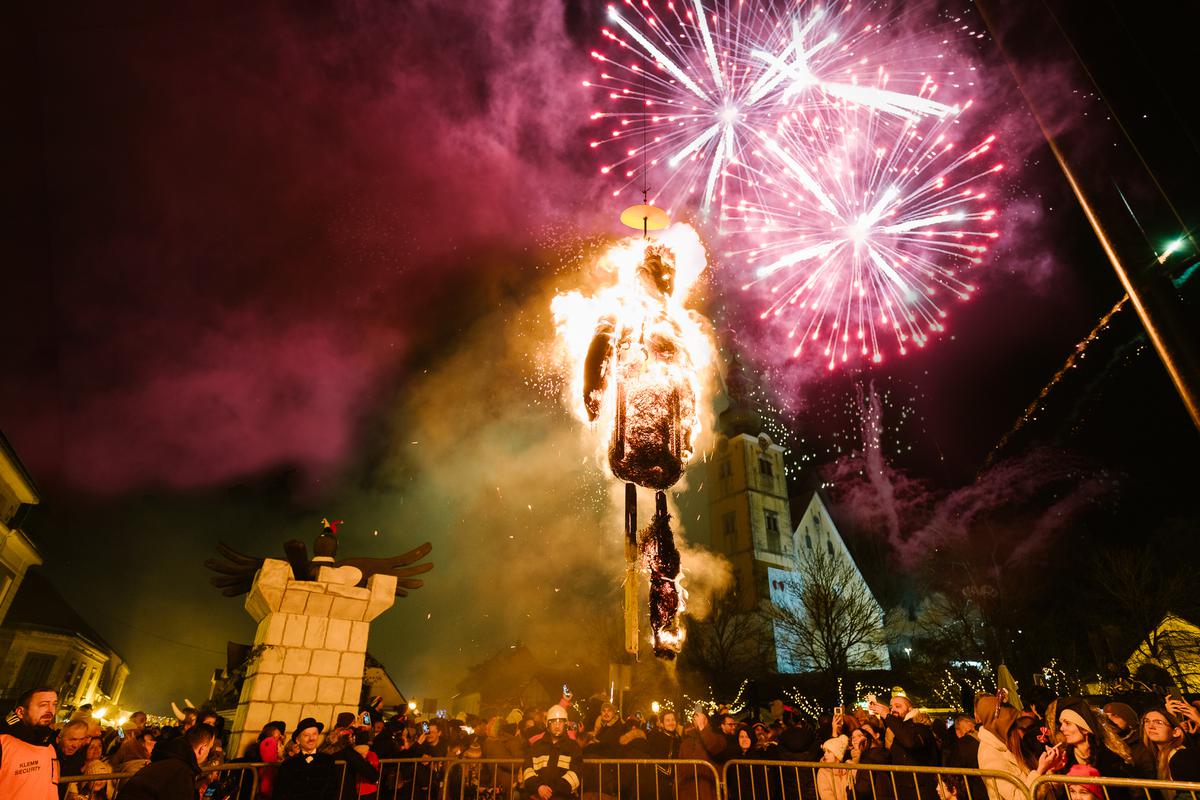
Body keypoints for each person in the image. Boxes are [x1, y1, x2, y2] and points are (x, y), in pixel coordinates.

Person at [974, 697, 1065, 800]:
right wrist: (1040, 770)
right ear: (1001, 727)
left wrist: (1050, 770)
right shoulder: (989, 755)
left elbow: (1050, 791)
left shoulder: (1011, 743)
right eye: (1013, 726)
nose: (1018, 731)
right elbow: (1018, 797)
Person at [112, 723, 216, 800]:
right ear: (202, 748)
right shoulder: (182, 771)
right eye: (210, 748)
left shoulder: (166, 759)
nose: (209, 753)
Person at [869, 694, 939, 800]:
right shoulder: (897, 731)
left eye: (898, 706)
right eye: (891, 707)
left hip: (920, 791)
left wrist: (887, 716)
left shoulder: (921, 728)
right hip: (903, 790)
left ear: (910, 709)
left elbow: (909, 742)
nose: (893, 710)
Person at [0, 686, 60, 799]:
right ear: (21, 712)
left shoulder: (49, 746)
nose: (50, 710)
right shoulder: (3, 743)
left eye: (54, 704)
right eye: (43, 704)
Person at [521, 705, 581, 800]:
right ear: (548, 724)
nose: (557, 726)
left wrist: (551, 792)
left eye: (560, 722)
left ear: (565, 724)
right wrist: (538, 788)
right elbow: (528, 770)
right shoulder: (536, 746)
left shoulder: (573, 747)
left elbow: (575, 774)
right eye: (553, 722)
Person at [275, 718, 339, 800]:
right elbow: (281, 793)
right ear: (298, 740)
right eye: (306, 735)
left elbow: (332, 789)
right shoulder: (288, 764)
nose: (311, 738)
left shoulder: (328, 760)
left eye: (314, 734)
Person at [1140, 707, 1200, 783]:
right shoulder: (1155, 755)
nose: (1150, 726)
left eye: (1159, 722)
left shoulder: (1182, 756)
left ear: (1175, 732)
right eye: (1147, 721)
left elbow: (1189, 793)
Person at [677, 709, 726, 800]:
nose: (697, 721)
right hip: (689, 792)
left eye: (700, 717)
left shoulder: (717, 736)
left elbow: (714, 747)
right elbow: (680, 771)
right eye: (695, 718)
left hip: (709, 791)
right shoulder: (686, 743)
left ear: (706, 719)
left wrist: (702, 728)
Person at [57, 719, 92, 796]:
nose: (76, 745)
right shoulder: (46, 752)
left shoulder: (80, 754)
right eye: (72, 739)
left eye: (81, 739)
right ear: (59, 738)